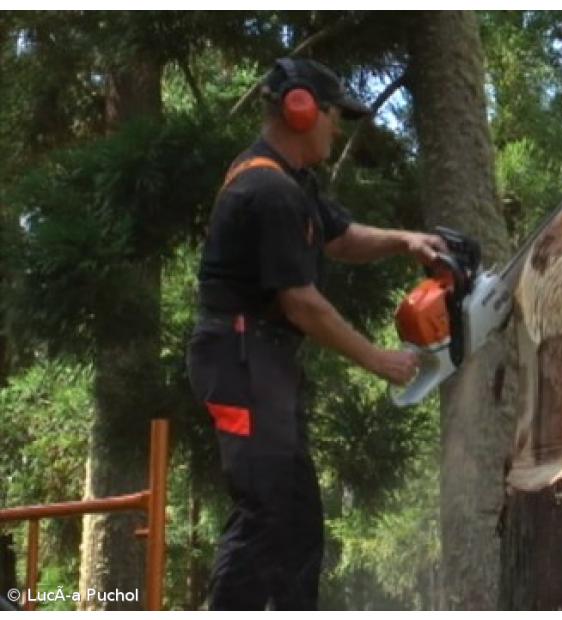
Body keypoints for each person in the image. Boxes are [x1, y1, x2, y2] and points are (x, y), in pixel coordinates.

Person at [186, 57, 446, 610]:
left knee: (299, 517)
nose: (338, 127)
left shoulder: (293, 185)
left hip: (261, 359)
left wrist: (406, 241)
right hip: (239, 357)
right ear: (301, 109)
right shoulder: (266, 189)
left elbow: (342, 237)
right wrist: (380, 359)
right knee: (266, 511)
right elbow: (303, 304)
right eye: (334, 115)